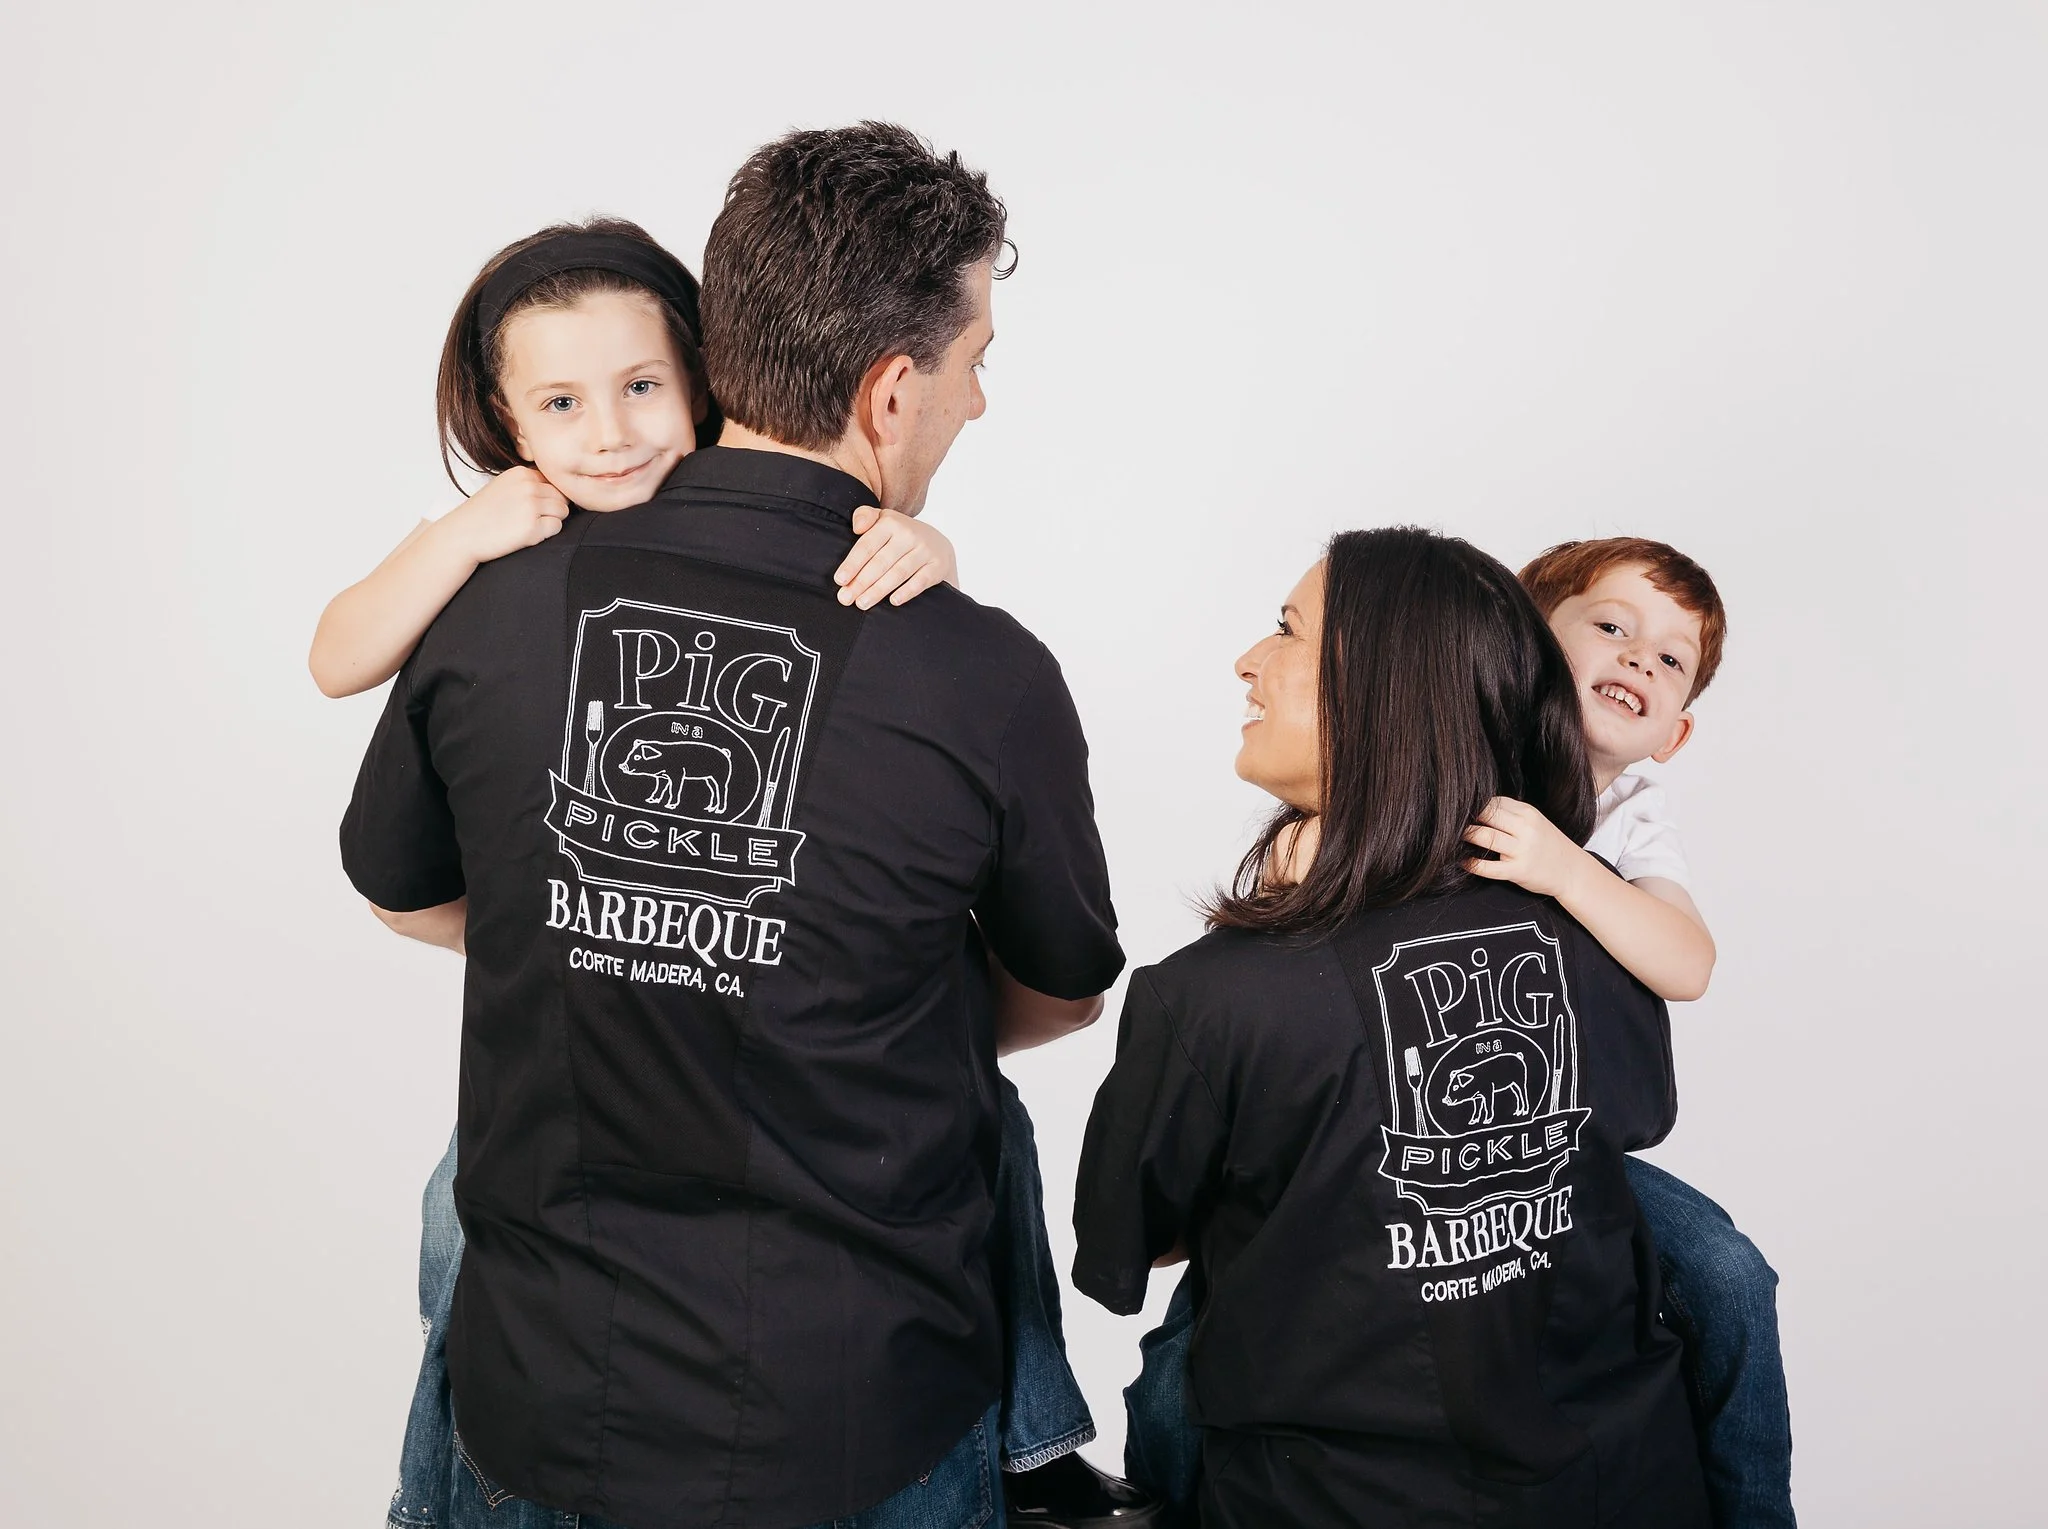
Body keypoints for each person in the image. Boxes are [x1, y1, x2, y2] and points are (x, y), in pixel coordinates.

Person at [341, 124, 1137, 1529]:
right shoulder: (979, 670)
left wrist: (616, 943)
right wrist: (800, 977)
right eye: (976, 361)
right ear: (894, 390)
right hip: (861, 1420)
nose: (981, 401)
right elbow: (1062, 993)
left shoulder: (489, 612)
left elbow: (404, 894)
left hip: (540, 1407)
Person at [1074, 527, 1712, 1527]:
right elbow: (1622, 1127)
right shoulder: (1592, 939)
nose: (1247, 659)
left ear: (1378, 685)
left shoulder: (1206, 1000)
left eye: (1286, 630)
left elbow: (1137, 1247)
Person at [1463, 538, 1793, 1529]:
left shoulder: (1629, 809)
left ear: (1673, 733)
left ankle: (1753, 1512)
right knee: (1208, 1326)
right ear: (1522, 640)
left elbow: (1686, 962)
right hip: (1399, 1137)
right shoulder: (1455, 742)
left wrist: (1569, 869)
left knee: (1726, 1272)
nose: (1635, 661)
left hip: (1562, 1149)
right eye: (1609, 626)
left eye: (1667, 660)